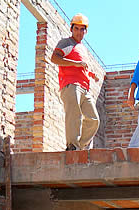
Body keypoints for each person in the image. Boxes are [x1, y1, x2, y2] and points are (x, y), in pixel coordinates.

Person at [51, 13, 100, 151]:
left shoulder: (82, 48)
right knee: (75, 115)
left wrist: (91, 74)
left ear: (86, 31)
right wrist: (76, 63)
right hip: (71, 85)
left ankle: (79, 147)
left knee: (94, 120)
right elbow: (54, 58)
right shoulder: (66, 43)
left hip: (85, 88)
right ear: (71, 29)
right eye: (76, 28)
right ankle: (72, 146)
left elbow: (81, 66)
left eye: (82, 29)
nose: (79, 32)